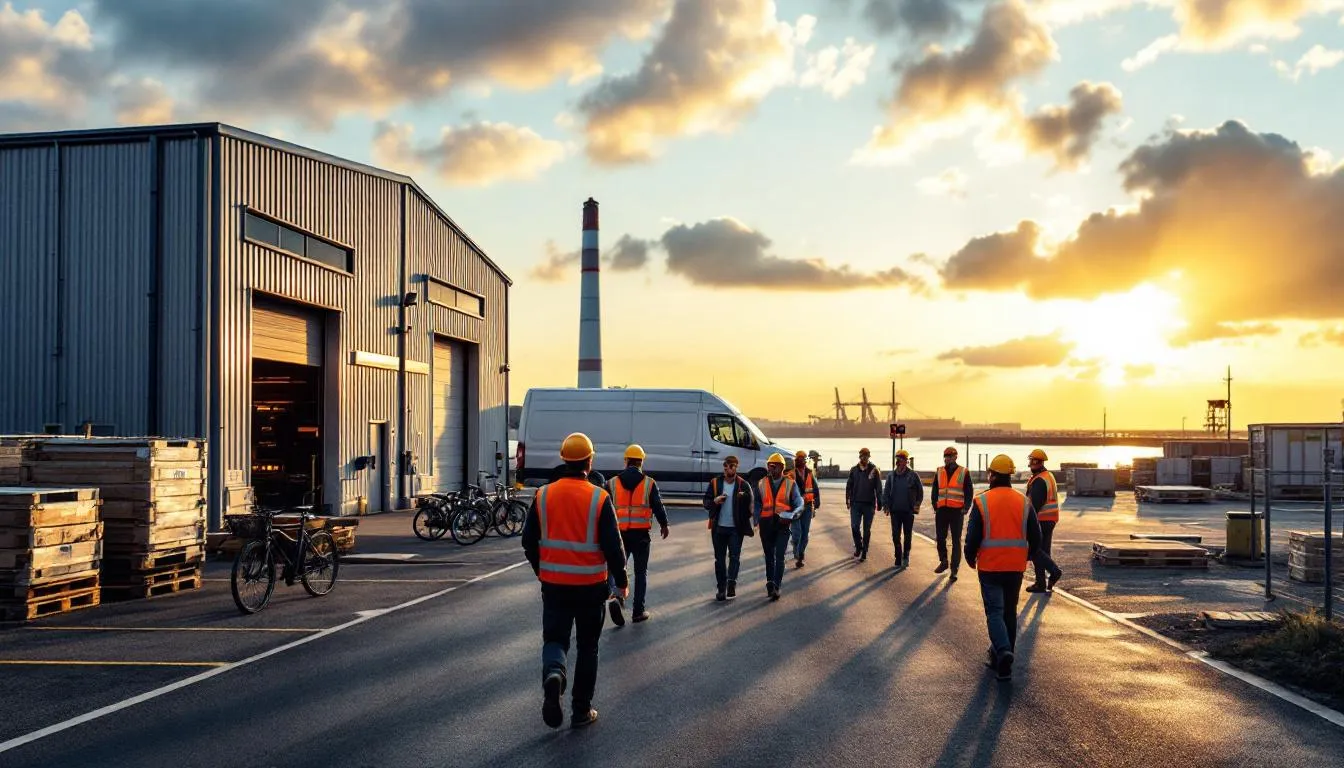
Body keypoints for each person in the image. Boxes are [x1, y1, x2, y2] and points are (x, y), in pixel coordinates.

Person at [521, 433, 629, 729]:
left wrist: (541, 571)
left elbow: (528, 541)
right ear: (589, 461)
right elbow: (614, 547)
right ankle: (581, 710)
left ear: (564, 459)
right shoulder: (599, 497)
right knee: (587, 646)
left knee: (555, 639)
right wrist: (621, 581)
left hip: (554, 585)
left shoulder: (543, 495)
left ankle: (554, 673)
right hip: (591, 587)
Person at [965, 454, 1042, 681]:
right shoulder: (1024, 502)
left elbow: (972, 537)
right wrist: (1027, 555)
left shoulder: (982, 502)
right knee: (1009, 612)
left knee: (994, 612)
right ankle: (1005, 663)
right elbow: (1036, 536)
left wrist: (970, 558)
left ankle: (1002, 651)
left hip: (990, 567)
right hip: (1015, 567)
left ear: (992, 476)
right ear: (1009, 476)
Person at [605, 445, 670, 626]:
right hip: (641, 536)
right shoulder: (649, 483)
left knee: (618, 568)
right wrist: (664, 525)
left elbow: (604, 510)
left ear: (625, 461)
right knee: (641, 573)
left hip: (619, 535)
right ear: (642, 461)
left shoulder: (611, 483)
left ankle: (618, 598)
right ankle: (638, 612)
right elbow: (658, 506)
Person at [703, 455, 755, 601]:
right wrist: (715, 500)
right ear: (724, 467)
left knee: (734, 557)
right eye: (726, 466)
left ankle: (731, 583)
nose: (728, 468)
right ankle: (721, 588)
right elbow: (706, 502)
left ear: (736, 467)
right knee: (719, 560)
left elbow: (751, 507)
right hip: (718, 528)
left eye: (731, 466)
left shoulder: (743, 485)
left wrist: (743, 503)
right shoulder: (715, 483)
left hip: (735, 529)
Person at [754, 453, 802, 600]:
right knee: (769, 556)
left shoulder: (790, 484)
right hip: (766, 524)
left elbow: (799, 504)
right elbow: (757, 503)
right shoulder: (762, 483)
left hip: (782, 525)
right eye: (769, 466)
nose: (771, 469)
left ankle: (776, 586)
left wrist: (792, 515)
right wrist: (756, 518)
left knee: (779, 556)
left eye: (774, 466)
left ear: (782, 467)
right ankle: (770, 582)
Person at [930, 446, 975, 582]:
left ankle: (954, 570)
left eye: (950, 456)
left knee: (956, 541)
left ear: (956, 457)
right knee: (940, 537)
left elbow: (969, 491)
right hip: (942, 510)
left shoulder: (963, 472)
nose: (948, 458)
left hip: (957, 511)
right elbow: (934, 490)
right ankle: (944, 561)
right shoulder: (939, 471)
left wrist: (966, 507)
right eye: (946, 456)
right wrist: (935, 505)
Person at [1024, 449, 1064, 593]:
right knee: (1044, 551)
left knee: (1034, 550)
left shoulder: (1040, 480)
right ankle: (1041, 583)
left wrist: (1026, 521)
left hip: (1041, 520)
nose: (1030, 464)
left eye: (1032, 461)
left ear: (1037, 462)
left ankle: (1054, 572)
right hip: (1050, 519)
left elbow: (1034, 505)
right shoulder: (1048, 476)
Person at [882, 449, 924, 569]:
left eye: (901, 459)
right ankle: (898, 556)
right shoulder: (891, 476)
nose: (899, 461)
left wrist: (916, 506)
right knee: (895, 535)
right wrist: (886, 506)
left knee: (907, 535)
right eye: (898, 459)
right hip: (895, 511)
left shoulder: (913, 475)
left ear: (906, 461)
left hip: (908, 511)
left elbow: (920, 492)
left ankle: (906, 556)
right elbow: (886, 492)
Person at [845, 447, 882, 562]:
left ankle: (864, 551)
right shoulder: (853, 470)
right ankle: (858, 546)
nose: (864, 458)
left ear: (869, 457)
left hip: (869, 505)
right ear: (860, 456)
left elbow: (879, 488)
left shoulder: (874, 470)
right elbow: (849, 486)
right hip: (855, 504)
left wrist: (879, 502)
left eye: (866, 456)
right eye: (863, 456)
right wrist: (847, 500)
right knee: (854, 526)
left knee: (867, 530)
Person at [788, 451, 821, 568]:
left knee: (805, 534)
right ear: (795, 460)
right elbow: (786, 491)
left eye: (801, 459)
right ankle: (796, 550)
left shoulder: (810, 474)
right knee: (797, 533)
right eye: (798, 459)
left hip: (807, 507)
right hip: (795, 508)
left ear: (805, 460)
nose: (799, 461)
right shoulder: (791, 475)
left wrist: (816, 503)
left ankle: (800, 556)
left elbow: (815, 489)